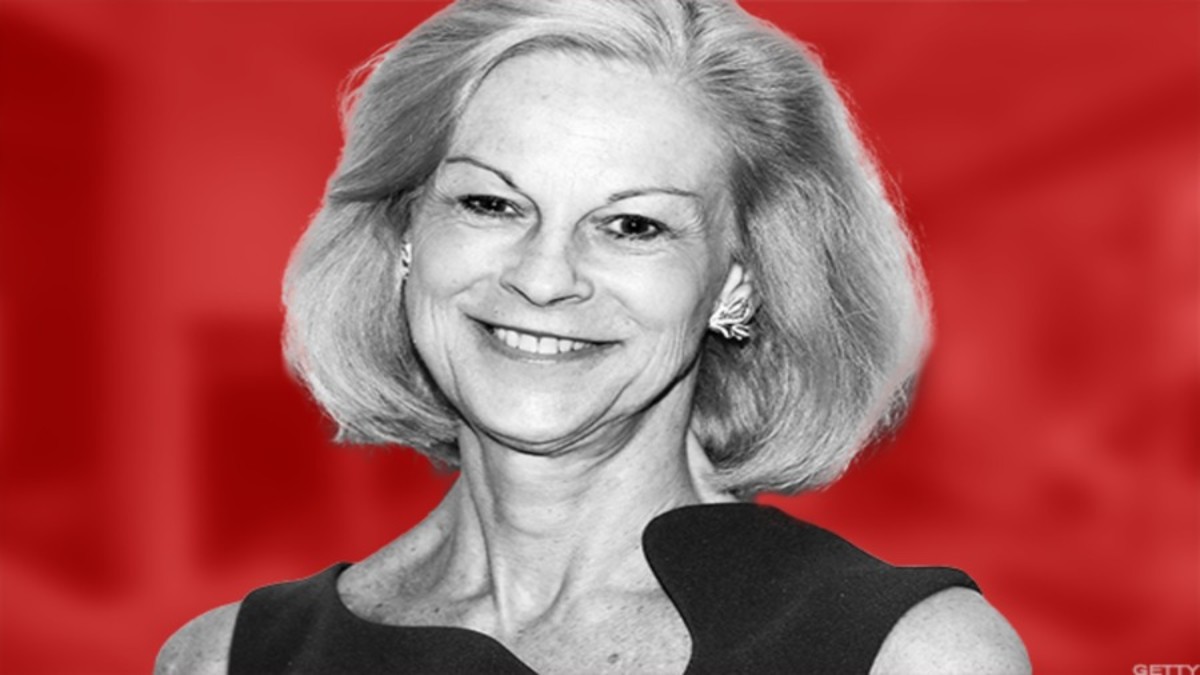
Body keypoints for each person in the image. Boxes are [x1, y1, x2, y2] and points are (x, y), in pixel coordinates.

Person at [157, 0, 1030, 672]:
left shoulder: (914, 654)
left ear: (737, 280)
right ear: (405, 237)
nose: (544, 277)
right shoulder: (225, 659)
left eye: (633, 226)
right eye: (491, 204)